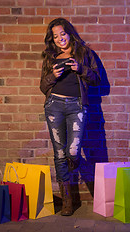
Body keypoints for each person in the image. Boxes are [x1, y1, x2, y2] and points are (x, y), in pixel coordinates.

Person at [40, 18, 100, 216]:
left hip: (76, 106)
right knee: (59, 154)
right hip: (54, 106)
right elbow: (42, 86)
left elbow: (96, 79)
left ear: (69, 33)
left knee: (72, 151)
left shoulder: (84, 53)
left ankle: (71, 160)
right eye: (55, 36)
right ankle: (68, 201)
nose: (59, 39)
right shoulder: (50, 57)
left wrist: (80, 69)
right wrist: (53, 76)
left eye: (62, 34)